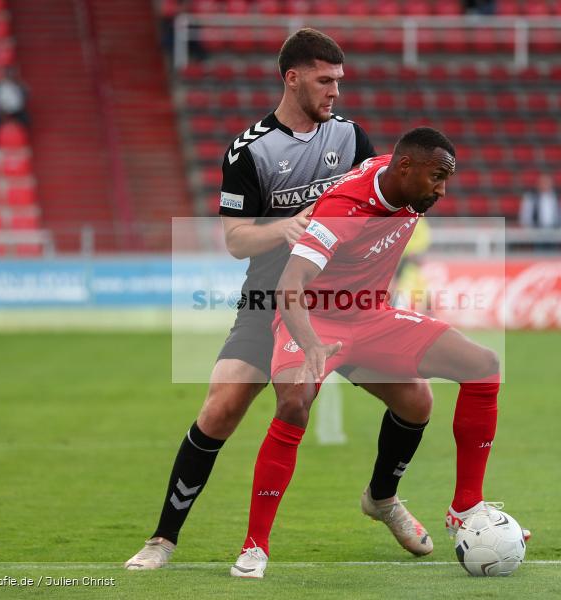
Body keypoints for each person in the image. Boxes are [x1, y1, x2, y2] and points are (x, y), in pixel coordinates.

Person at [125, 28, 435, 570]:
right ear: (292, 78)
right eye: (324, 80)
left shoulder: (352, 138)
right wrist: (289, 227)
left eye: (339, 80)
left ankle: (383, 500)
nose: (335, 91)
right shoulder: (250, 151)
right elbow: (234, 239)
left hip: (344, 307)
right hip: (270, 300)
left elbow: (381, 206)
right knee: (219, 410)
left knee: (415, 400)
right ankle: (162, 540)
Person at [230, 128, 528, 579]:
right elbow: (289, 285)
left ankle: (462, 507)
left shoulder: (405, 179)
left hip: (371, 317)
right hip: (317, 318)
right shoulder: (342, 210)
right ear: (405, 168)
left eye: (446, 178)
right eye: (437, 177)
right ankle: (255, 546)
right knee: (294, 400)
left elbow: (404, 160)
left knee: (471, 372)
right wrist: (310, 342)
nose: (442, 189)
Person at [0, 67, 29, 133]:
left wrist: (19, 84)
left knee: (25, 118)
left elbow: (25, 95)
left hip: (15, 111)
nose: (9, 77)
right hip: (0, 110)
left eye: (11, 75)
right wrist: (0, 109)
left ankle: (22, 135)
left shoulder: (18, 86)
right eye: (8, 75)